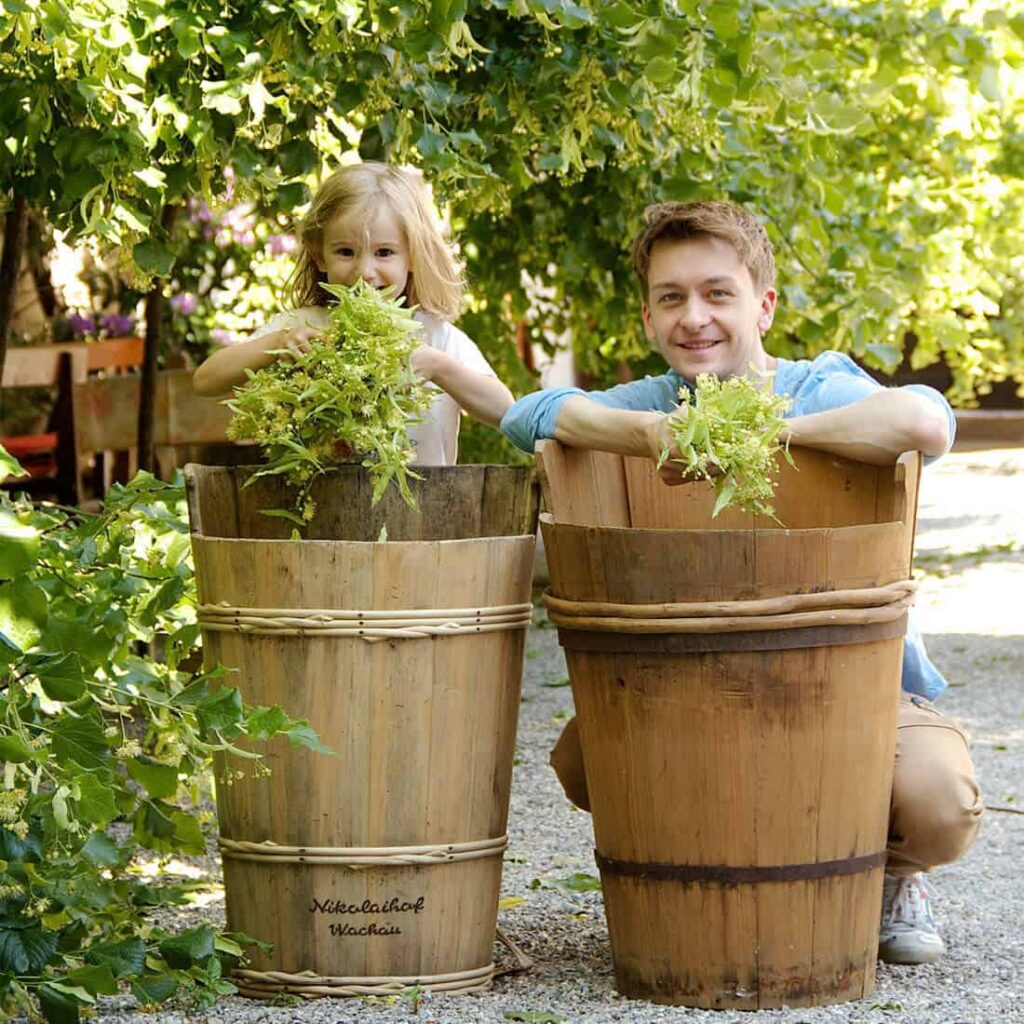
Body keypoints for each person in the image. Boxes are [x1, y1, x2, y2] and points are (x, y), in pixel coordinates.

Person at [501, 200, 984, 966]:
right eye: (671, 297)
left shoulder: (818, 386)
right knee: (583, 756)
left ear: (762, 304)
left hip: (853, 688)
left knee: (937, 801)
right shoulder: (656, 402)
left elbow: (926, 424)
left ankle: (893, 871)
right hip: (694, 691)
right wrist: (652, 434)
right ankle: (705, 874)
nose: (694, 317)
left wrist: (769, 433)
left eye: (717, 293)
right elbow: (528, 414)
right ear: (649, 316)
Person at [193, 162, 513, 462]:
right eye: (346, 252)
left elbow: (504, 412)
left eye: (384, 252)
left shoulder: (434, 336)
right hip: (326, 513)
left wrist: (438, 367)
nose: (364, 271)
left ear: (413, 256)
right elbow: (205, 381)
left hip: (425, 515)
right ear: (319, 256)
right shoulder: (304, 327)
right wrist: (278, 343)